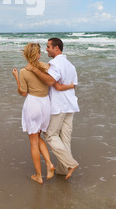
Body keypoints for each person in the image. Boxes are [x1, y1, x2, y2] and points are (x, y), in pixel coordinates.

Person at [12, 42, 75, 185]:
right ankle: (49, 163)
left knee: (33, 141)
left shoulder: (24, 71)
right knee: (38, 136)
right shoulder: (46, 67)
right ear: (38, 54)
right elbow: (53, 83)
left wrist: (16, 77)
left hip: (33, 104)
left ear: (27, 55)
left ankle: (39, 176)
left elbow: (23, 92)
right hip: (46, 104)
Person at [26, 38, 79, 180]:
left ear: (57, 48)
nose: (46, 49)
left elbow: (50, 81)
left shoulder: (55, 64)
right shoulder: (70, 65)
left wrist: (34, 70)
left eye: (49, 47)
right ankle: (62, 170)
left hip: (59, 105)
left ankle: (70, 163)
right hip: (71, 105)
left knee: (50, 135)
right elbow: (73, 84)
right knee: (64, 139)